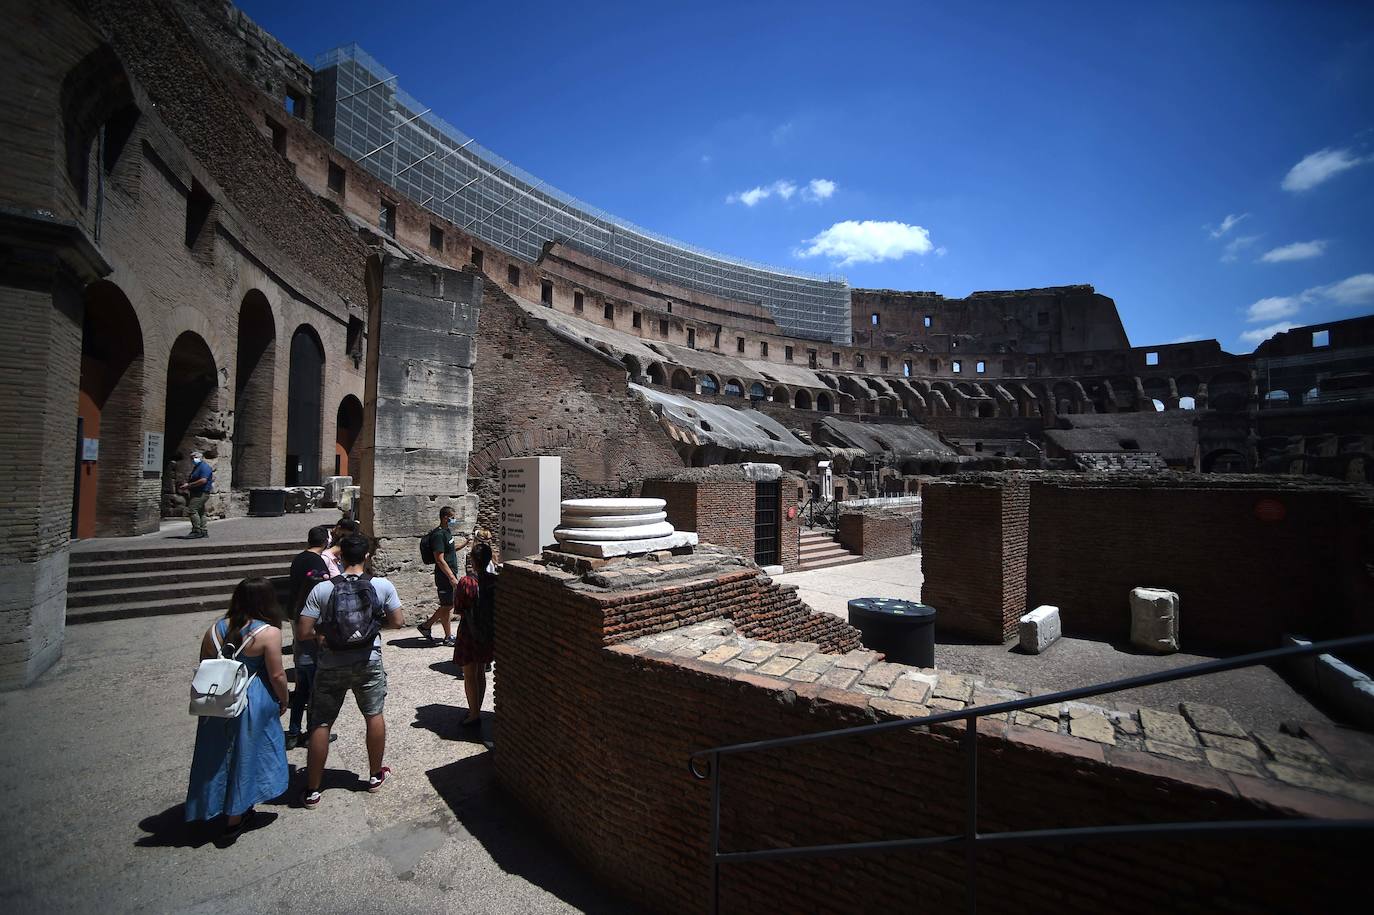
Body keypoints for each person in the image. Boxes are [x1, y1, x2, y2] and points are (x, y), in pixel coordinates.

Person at [298, 533, 404, 808]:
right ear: (367, 556)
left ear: (340, 556)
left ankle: (312, 790)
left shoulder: (322, 589)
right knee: (373, 715)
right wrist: (370, 628)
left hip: (331, 661)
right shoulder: (381, 586)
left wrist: (325, 635)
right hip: (368, 659)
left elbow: (303, 630)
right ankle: (374, 775)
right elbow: (398, 621)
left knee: (321, 723)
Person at [184, 578, 290, 836]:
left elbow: (206, 663)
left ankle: (210, 805)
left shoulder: (214, 629)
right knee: (249, 754)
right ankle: (236, 816)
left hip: (217, 699)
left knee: (216, 756)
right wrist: (284, 699)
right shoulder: (268, 633)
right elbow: (276, 674)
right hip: (251, 698)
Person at [284, 525, 331, 749]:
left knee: (303, 685)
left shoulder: (299, 558)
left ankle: (294, 732)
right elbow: (321, 593)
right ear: (324, 542)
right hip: (311, 624)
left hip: (297, 618)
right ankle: (315, 731)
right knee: (315, 686)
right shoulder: (317, 563)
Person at [453, 541, 496, 727]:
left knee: (469, 674)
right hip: (487, 631)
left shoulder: (466, 582)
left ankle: (474, 713)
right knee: (480, 671)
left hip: (469, 631)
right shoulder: (495, 581)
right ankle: (477, 708)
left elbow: (459, 608)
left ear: (472, 559)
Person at [418, 506, 465, 646]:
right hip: (444, 576)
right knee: (448, 605)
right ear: (445, 517)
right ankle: (426, 626)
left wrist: (465, 544)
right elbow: (439, 558)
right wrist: (451, 577)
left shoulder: (447, 531)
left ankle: (447, 636)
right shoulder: (438, 535)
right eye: (452, 517)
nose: (454, 519)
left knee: (447, 604)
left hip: (449, 573)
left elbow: (449, 549)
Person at [178, 450, 215, 539]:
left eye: (195, 457)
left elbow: (203, 480)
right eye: (192, 458)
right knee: (200, 512)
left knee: (192, 510)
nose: (194, 459)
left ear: (201, 457)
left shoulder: (204, 467)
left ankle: (196, 530)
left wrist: (188, 485)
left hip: (201, 493)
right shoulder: (197, 467)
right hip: (197, 492)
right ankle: (203, 531)